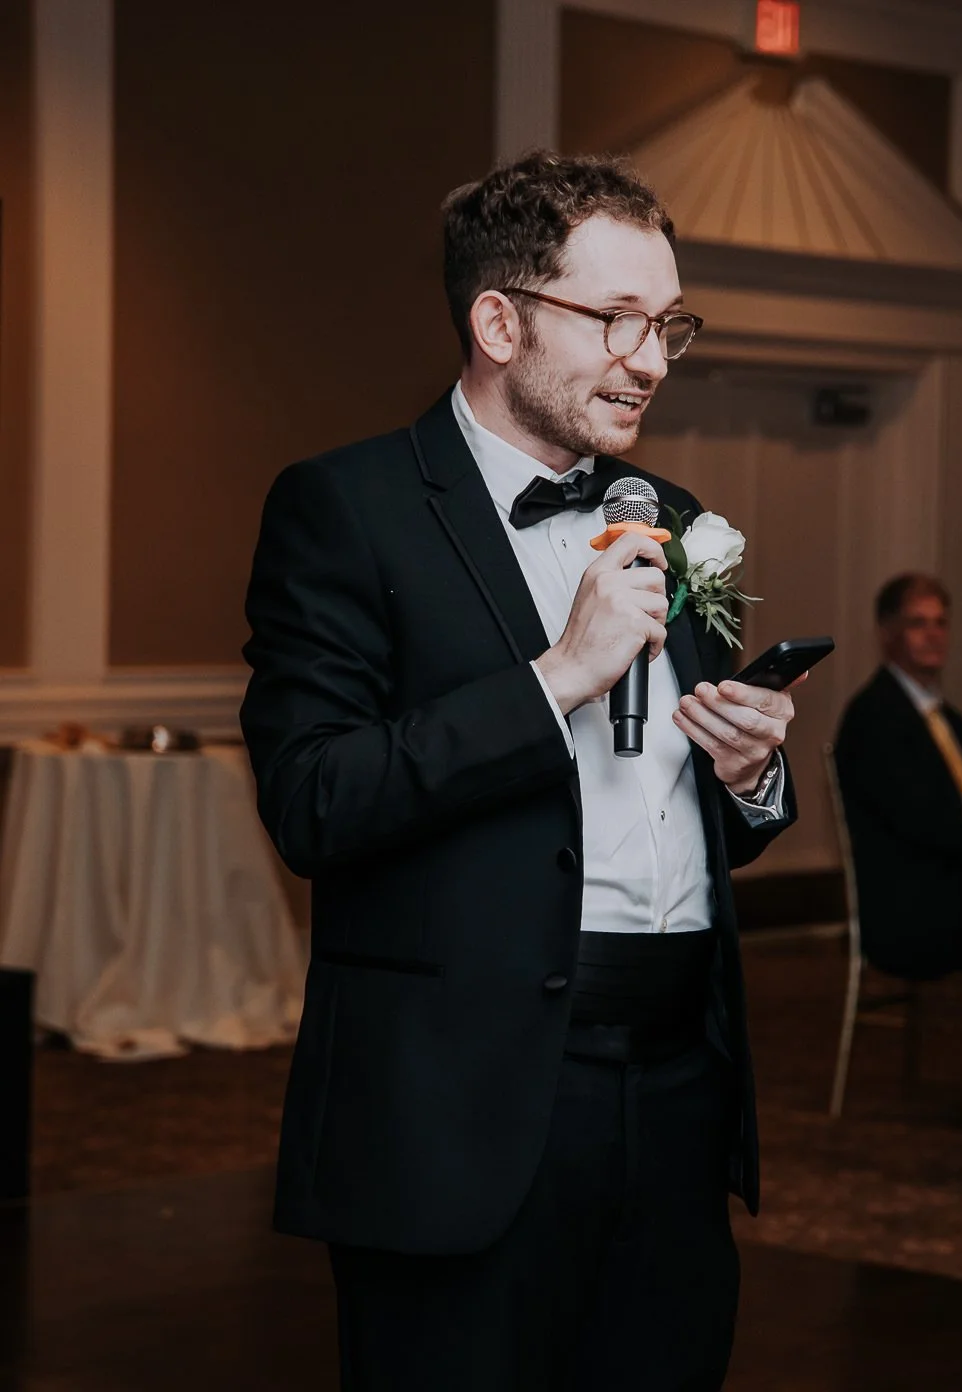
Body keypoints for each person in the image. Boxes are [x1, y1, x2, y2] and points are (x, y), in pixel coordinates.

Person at [241, 150, 799, 1392]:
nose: (651, 359)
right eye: (616, 321)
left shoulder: (670, 508)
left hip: (674, 1090)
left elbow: (665, 811)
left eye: (668, 325)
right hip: (464, 1104)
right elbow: (315, 800)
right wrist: (559, 677)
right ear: (498, 320)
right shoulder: (349, 509)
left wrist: (749, 776)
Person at [834, 573, 962, 980]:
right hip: (913, 906)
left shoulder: (953, 722)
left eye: (941, 623)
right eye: (918, 623)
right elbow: (923, 824)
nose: (933, 635)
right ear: (888, 633)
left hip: (959, 884)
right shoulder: (874, 717)